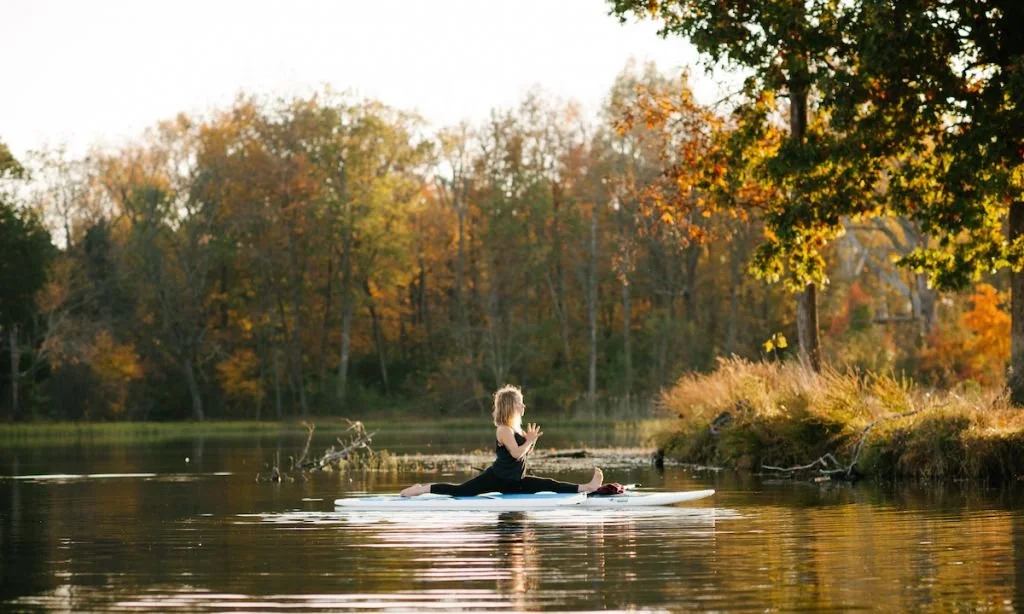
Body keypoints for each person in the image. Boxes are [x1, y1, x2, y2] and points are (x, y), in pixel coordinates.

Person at [400, 384, 603, 497]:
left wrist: (530, 440)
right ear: (511, 406)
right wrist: (529, 441)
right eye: (520, 403)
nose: (524, 406)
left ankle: (587, 487)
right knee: (461, 491)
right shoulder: (504, 429)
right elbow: (516, 453)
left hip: (515, 482)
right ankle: (421, 489)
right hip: (498, 477)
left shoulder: (515, 428)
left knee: (549, 483)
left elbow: (522, 453)